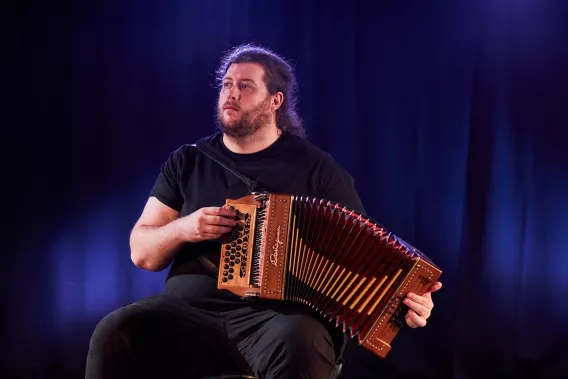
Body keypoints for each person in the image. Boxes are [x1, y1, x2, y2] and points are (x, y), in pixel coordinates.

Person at [85, 44, 442, 379]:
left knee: (302, 339)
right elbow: (141, 252)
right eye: (226, 84)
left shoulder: (316, 169)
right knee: (115, 332)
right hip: (190, 313)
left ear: (275, 101)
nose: (231, 93)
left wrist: (408, 301)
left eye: (245, 86)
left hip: (275, 320)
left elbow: (367, 254)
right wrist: (185, 228)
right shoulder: (188, 161)